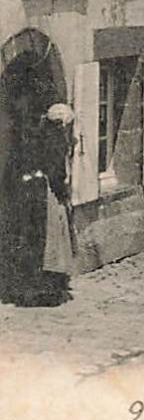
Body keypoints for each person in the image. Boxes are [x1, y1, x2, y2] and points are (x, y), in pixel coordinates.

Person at [3, 99, 75, 307]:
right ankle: (48, 286)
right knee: (51, 239)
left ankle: (42, 284)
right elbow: (57, 171)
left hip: (37, 193)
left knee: (39, 239)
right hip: (50, 194)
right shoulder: (55, 141)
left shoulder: (39, 136)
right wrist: (63, 191)